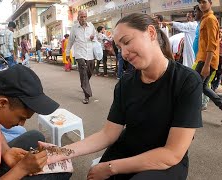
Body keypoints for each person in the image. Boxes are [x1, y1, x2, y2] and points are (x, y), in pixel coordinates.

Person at [43, 13, 202, 180]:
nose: (124, 53)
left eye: (126, 42)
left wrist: (112, 168)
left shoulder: (187, 81)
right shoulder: (126, 83)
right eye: (119, 48)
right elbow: (108, 134)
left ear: (151, 33)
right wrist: (61, 153)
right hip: (127, 150)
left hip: (163, 163)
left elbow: (172, 154)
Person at [194, 0, 222, 110]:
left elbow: (212, 44)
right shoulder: (205, 18)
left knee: (194, 85)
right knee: (203, 87)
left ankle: (191, 111)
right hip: (204, 59)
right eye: (200, 2)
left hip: (206, 60)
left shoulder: (210, 19)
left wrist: (206, 65)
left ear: (210, 3)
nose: (202, 4)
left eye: (204, 2)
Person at [66, 10, 96, 104]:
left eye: (85, 16)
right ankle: (87, 95)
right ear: (78, 17)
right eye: (81, 17)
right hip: (80, 54)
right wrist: (67, 53)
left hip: (90, 53)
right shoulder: (74, 28)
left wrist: (93, 38)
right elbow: (70, 41)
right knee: (83, 72)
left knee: (90, 71)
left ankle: (83, 83)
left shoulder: (91, 26)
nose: (83, 18)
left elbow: (95, 37)